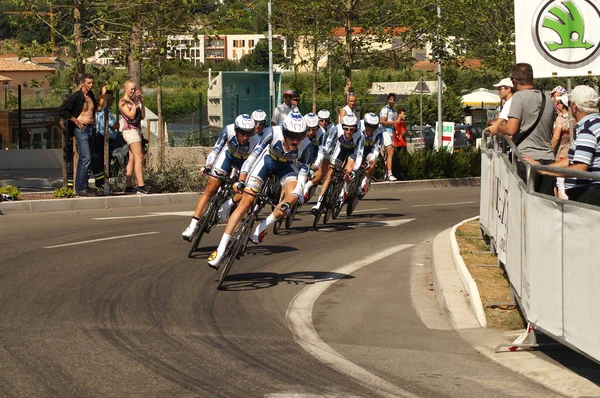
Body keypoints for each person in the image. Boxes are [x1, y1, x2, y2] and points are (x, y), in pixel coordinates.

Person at [208, 112, 312, 269]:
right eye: (291, 135)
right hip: (266, 162)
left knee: (293, 197)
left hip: (287, 168)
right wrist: (242, 180)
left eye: (300, 136)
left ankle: (262, 227)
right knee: (246, 201)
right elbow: (251, 158)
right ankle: (221, 248)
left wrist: (292, 199)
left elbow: (301, 182)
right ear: (284, 131)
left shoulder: (308, 147)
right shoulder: (272, 133)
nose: (296, 140)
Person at [182, 114, 261, 241]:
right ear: (236, 130)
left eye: (249, 133)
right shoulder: (228, 130)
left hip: (245, 163)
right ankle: (192, 226)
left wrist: (242, 180)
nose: (246, 137)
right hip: (228, 156)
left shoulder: (256, 140)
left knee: (245, 189)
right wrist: (208, 166)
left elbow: (253, 164)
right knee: (211, 187)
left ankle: (228, 203)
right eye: (242, 133)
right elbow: (216, 149)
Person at [523, 85, 600, 206]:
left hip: (588, 193)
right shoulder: (595, 124)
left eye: (569, 103)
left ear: (574, 107)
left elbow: (581, 167)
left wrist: (545, 171)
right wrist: (544, 168)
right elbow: (573, 159)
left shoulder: (587, 129)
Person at [486, 63, 555, 195]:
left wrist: (498, 128)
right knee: (546, 205)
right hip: (548, 159)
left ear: (514, 81)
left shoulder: (518, 97)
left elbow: (511, 129)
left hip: (526, 158)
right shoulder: (548, 99)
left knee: (526, 202)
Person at [311, 114, 365, 214]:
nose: (348, 132)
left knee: (348, 172)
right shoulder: (336, 129)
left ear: (356, 129)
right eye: (346, 129)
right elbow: (328, 145)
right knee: (330, 174)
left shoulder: (361, 136)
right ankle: (319, 203)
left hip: (353, 152)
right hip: (341, 149)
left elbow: (359, 155)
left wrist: (354, 170)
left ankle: (342, 194)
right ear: (342, 127)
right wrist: (326, 157)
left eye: (351, 129)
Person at [58, 73, 100, 197]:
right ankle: (81, 188)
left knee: (88, 158)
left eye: (92, 82)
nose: (91, 85)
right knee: (85, 157)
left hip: (90, 129)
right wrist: (75, 121)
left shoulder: (91, 95)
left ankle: (83, 186)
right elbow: (62, 110)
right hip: (80, 129)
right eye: (89, 83)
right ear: (82, 83)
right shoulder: (76, 97)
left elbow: (95, 109)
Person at [119, 80, 147, 194]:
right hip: (130, 131)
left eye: (134, 89)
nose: (133, 91)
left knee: (132, 158)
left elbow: (143, 116)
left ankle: (129, 186)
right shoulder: (122, 101)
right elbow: (130, 115)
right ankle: (141, 186)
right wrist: (135, 104)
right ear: (125, 89)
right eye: (131, 89)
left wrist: (141, 103)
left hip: (136, 130)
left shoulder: (134, 101)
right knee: (139, 157)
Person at [93, 86, 120, 189]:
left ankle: (103, 182)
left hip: (105, 138)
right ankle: (102, 183)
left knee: (103, 161)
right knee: (103, 161)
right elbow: (115, 125)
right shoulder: (103, 112)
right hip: (103, 139)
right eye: (110, 99)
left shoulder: (103, 112)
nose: (112, 101)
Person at [551, 92, 571, 199]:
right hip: (573, 153)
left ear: (563, 104)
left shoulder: (561, 119)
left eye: (559, 102)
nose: (557, 104)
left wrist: (550, 150)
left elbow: (556, 138)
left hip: (562, 153)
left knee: (560, 183)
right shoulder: (575, 118)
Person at [301, 113, 325, 200]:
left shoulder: (322, 132)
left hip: (314, 151)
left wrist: (315, 166)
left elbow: (321, 152)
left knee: (321, 172)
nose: (311, 132)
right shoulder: (300, 129)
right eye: (308, 129)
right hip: (301, 150)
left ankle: (307, 186)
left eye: (314, 129)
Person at [360, 112, 384, 196]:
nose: (371, 130)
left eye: (374, 128)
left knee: (372, 165)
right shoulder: (359, 126)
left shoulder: (379, 132)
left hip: (371, 150)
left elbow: (376, 150)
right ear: (365, 124)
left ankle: (366, 180)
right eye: (369, 127)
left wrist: (370, 161)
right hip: (359, 148)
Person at [379, 93, 398, 181]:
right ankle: (390, 174)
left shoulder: (394, 111)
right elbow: (383, 122)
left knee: (388, 154)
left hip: (391, 133)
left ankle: (385, 173)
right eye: (391, 99)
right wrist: (393, 122)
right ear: (388, 100)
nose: (392, 101)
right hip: (385, 132)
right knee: (390, 152)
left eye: (393, 100)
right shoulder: (385, 109)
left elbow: (395, 124)